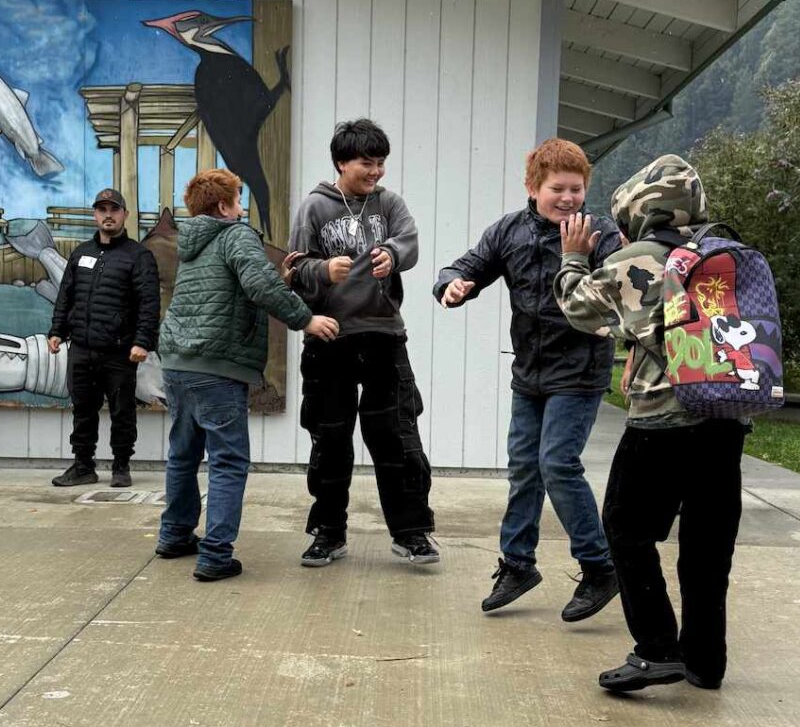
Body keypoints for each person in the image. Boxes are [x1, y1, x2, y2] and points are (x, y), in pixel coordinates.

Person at [554, 154, 749, 692]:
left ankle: (656, 649)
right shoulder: (722, 250)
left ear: (641, 209)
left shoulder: (640, 256)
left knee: (625, 527)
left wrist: (573, 257)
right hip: (726, 417)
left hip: (663, 420)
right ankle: (706, 662)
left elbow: (578, 308)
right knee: (708, 546)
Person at [433, 138, 621, 620]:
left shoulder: (601, 235)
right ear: (533, 187)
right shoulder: (510, 232)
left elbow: (613, 300)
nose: (568, 198)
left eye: (576, 189)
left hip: (578, 372)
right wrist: (451, 284)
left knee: (557, 463)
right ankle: (517, 564)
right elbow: (466, 265)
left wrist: (579, 255)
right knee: (523, 468)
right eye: (558, 188)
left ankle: (600, 568)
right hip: (530, 373)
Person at [156, 168, 338, 582]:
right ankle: (216, 555)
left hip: (178, 363)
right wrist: (305, 319)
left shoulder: (192, 243)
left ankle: (174, 534)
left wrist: (283, 280)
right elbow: (256, 287)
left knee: (183, 453)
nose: (241, 209)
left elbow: (236, 287)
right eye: (238, 200)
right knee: (228, 461)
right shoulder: (235, 234)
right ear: (223, 206)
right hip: (216, 365)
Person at [287, 118, 438, 567]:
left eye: (381, 163)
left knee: (397, 437)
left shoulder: (389, 204)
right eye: (366, 163)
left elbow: (409, 243)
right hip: (330, 340)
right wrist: (320, 272)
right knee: (330, 440)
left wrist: (391, 255)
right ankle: (328, 533)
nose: (376, 171)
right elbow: (293, 271)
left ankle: (412, 533)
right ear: (341, 162)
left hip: (384, 337)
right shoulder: (314, 207)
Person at [48, 189, 160, 488]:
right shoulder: (81, 253)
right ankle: (83, 466)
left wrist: (142, 342)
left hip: (120, 351)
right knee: (83, 410)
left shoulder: (139, 256)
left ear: (125, 214)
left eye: (114, 209)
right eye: (101, 209)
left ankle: (121, 466)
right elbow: (65, 296)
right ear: (95, 215)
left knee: (123, 411)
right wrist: (57, 330)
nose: (107, 214)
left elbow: (149, 304)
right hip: (81, 348)